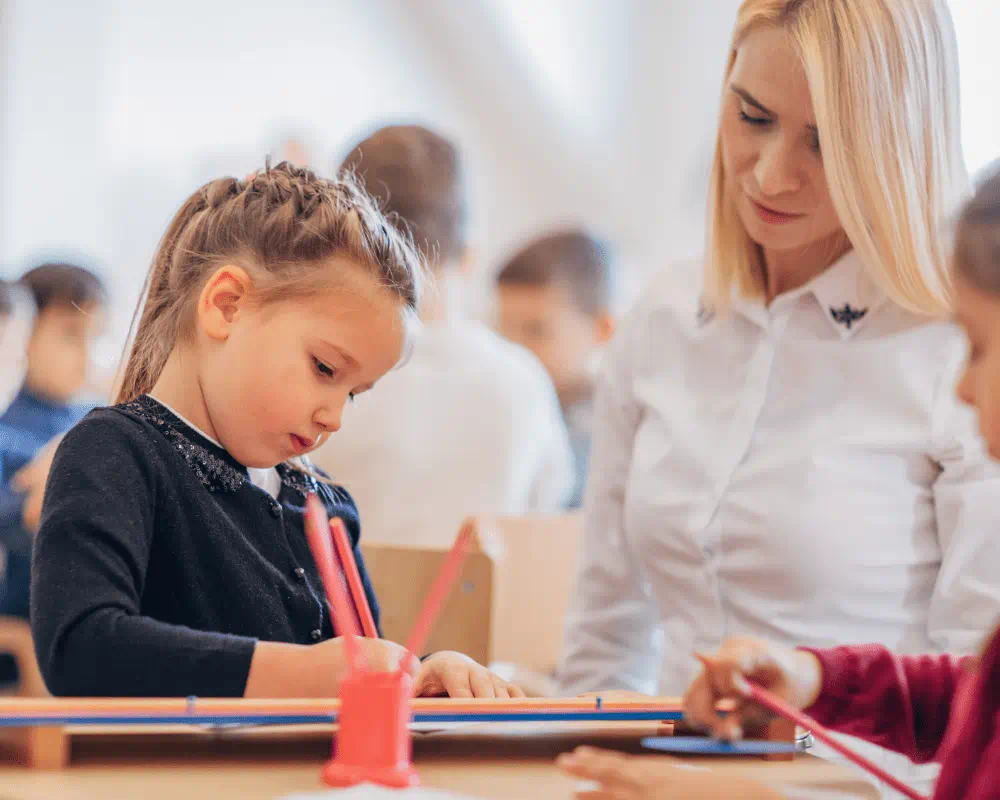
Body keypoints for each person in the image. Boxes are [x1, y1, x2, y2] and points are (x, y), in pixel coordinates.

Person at [556, 0, 999, 793]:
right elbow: (603, 630)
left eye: (826, 144)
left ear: (896, 150)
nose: (767, 174)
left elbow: (980, 714)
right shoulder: (662, 316)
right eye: (752, 116)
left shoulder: (962, 350)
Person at [30, 162, 523, 700]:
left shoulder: (325, 506)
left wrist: (423, 672)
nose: (335, 416)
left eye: (353, 393)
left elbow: (357, 676)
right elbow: (81, 648)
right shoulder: (115, 452)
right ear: (227, 306)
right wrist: (308, 673)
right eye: (326, 370)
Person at [310, 125, 573, 547]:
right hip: (483, 612)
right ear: (469, 252)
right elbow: (544, 521)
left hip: (337, 610)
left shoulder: (316, 381)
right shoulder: (524, 384)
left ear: (337, 245)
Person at [0, 263, 107, 621]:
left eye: (96, 338)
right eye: (70, 335)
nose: (87, 355)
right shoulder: (8, 433)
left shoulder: (95, 415)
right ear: (24, 333)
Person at [495, 230, 616, 508]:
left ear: (602, 329)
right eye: (503, 328)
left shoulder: (608, 430)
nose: (513, 347)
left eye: (536, 330)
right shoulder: (505, 406)